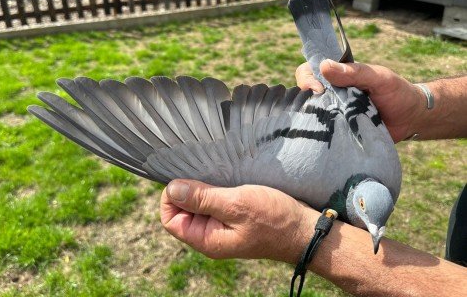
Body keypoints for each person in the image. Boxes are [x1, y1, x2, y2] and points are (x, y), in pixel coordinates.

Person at [159, 59, 467, 296]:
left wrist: (298, 235)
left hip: (348, 105)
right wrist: (420, 99)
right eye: (371, 220)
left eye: (377, 226)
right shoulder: (380, 178)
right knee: (228, 169)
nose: (376, 233)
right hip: (334, 95)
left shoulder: (387, 182)